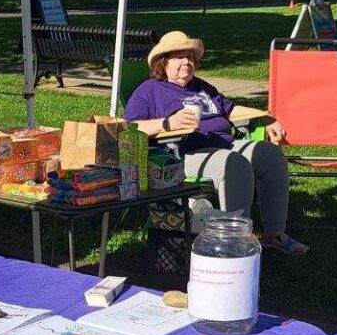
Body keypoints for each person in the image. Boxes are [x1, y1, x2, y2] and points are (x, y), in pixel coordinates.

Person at [124, 29, 306, 255]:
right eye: (180, 56)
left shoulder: (201, 87)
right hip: (183, 154)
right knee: (234, 163)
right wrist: (168, 123)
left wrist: (265, 117)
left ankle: (275, 235)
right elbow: (130, 126)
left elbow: (230, 110)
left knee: (270, 154)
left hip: (223, 144)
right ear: (164, 62)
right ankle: (235, 245)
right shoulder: (149, 90)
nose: (187, 62)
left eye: (191, 57)